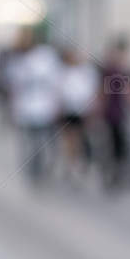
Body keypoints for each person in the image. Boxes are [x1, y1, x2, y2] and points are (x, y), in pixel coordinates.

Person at [5, 25, 62, 185]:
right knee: (28, 142)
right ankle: (31, 170)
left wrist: (56, 103)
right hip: (25, 108)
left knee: (42, 141)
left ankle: (42, 168)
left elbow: (55, 81)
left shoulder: (46, 56)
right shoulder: (17, 59)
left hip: (44, 107)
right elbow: (13, 86)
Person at [56, 46, 98, 187]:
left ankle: (78, 162)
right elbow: (60, 91)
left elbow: (91, 91)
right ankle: (71, 163)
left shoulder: (86, 72)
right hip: (69, 109)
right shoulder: (64, 72)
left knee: (78, 138)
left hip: (82, 110)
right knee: (69, 138)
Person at [98, 36, 130, 190]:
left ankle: (117, 172)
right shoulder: (108, 72)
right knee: (109, 144)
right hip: (110, 113)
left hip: (121, 113)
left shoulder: (123, 70)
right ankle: (109, 173)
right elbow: (103, 94)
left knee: (120, 144)